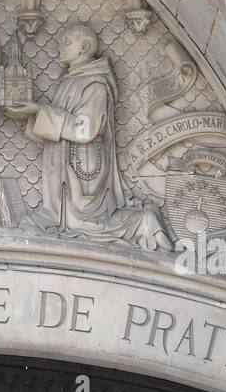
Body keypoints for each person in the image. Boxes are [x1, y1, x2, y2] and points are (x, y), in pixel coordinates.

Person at [10, 22, 171, 252]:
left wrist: (38, 111)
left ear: (84, 47)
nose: (60, 46)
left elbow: (85, 129)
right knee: (73, 222)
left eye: (67, 42)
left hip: (83, 163)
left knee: (89, 223)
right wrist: (29, 116)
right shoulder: (71, 80)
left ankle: (144, 223)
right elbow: (58, 127)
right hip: (66, 160)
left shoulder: (96, 84)